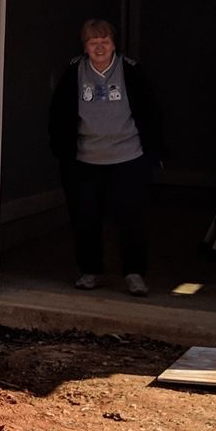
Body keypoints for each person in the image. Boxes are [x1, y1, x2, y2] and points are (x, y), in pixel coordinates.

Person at [48, 18, 163, 295]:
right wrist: (62, 151)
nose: (99, 47)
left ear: (114, 44)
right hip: (85, 160)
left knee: (131, 218)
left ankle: (134, 274)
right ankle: (90, 271)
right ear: (84, 46)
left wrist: (153, 152)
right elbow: (58, 113)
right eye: (92, 42)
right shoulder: (75, 70)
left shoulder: (131, 71)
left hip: (128, 157)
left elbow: (151, 112)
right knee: (85, 217)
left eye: (105, 42)